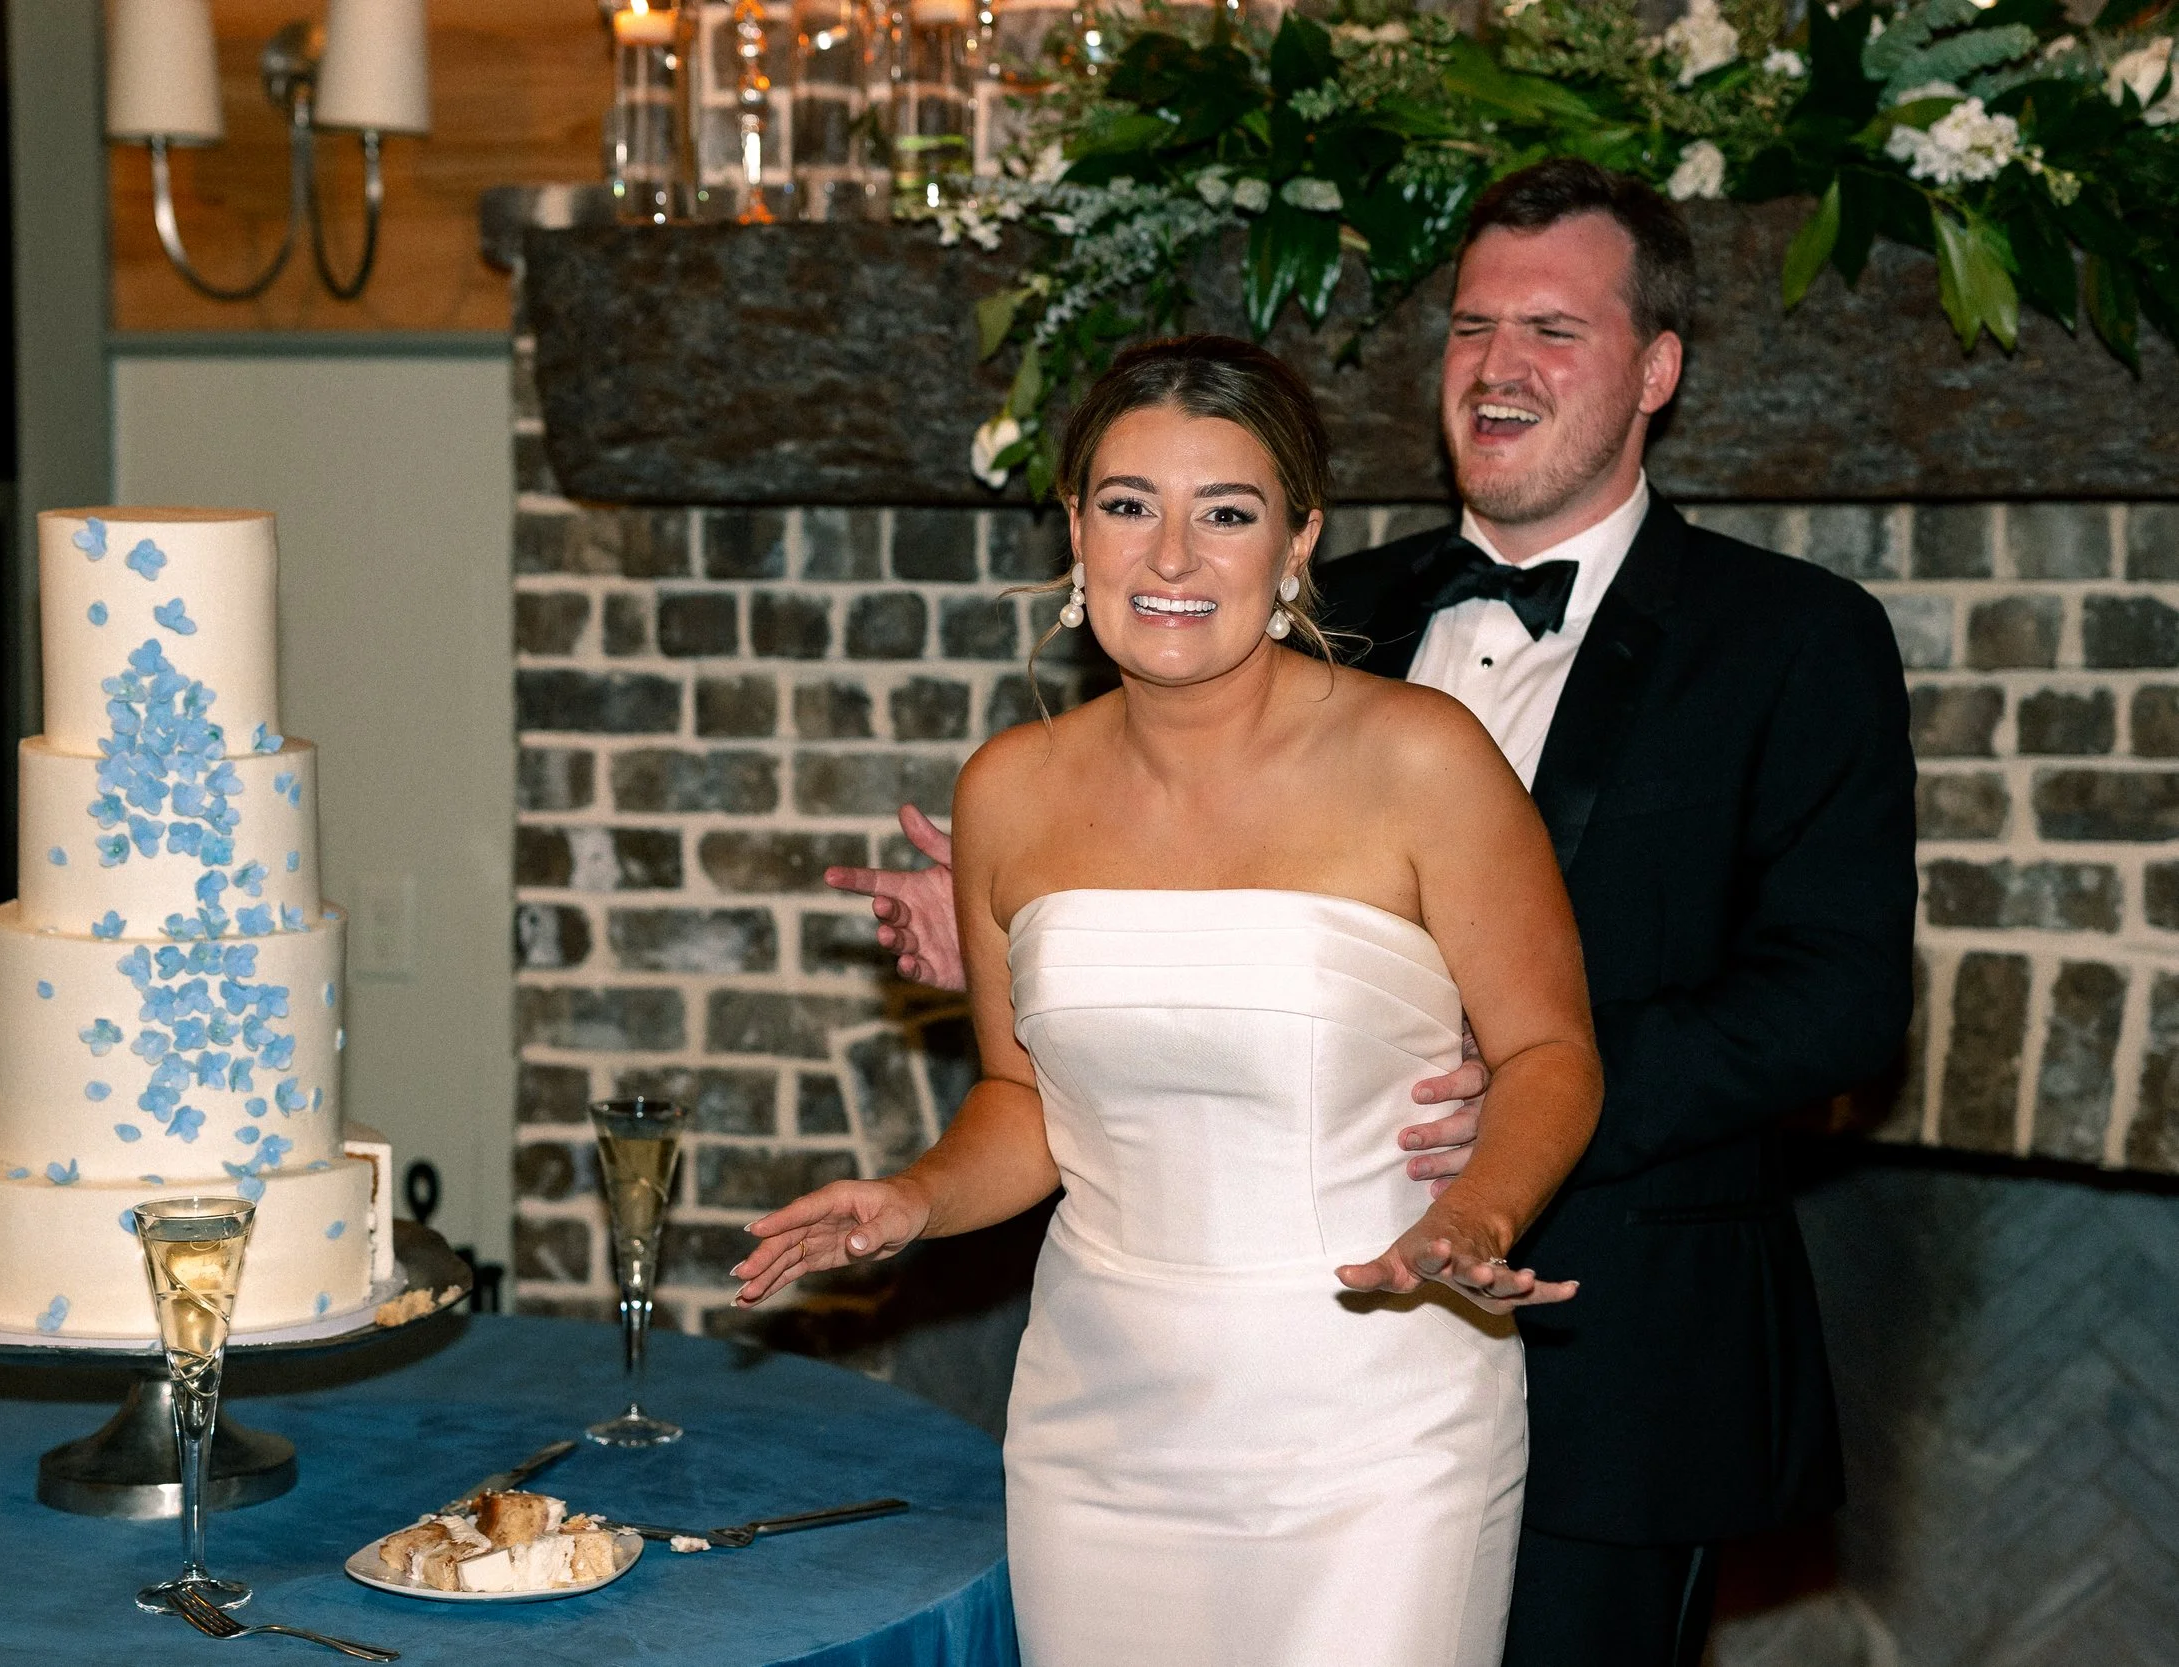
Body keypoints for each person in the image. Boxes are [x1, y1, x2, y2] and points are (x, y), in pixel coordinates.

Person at [818, 159, 1918, 1667]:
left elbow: (1841, 997)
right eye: (1472, 327)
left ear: (1658, 369)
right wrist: (1038, 946)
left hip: (1603, 1322)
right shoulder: (1301, 600)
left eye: (1554, 330)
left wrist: (1498, 1123)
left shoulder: (1793, 640)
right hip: (1141, 1383)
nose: (1500, 367)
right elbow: (1183, 915)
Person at [735, 334, 1607, 1667]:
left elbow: (1551, 1047)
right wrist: (911, 1197)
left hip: (1379, 1412)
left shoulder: (1423, 757)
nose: (1173, 558)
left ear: (1298, 541)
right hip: (1104, 1420)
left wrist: (1477, 1209)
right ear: (1077, 529)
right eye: (1131, 505)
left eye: (1229, 513)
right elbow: (1027, 1103)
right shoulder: (1008, 790)